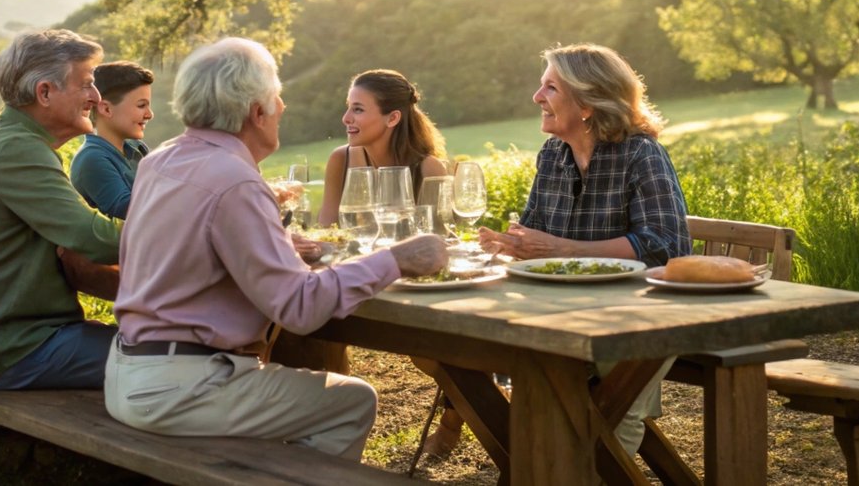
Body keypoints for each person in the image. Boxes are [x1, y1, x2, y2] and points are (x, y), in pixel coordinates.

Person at [105, 38, 447, 460]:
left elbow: (195, 245)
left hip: (127, 372)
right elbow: (299, 309)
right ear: (257, 111)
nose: (282, 108)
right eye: (277, 97)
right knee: (352, 401)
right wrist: (397, 259)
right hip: (183, 388)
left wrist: (280, 247)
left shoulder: (162, 158)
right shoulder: (236, 179)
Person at [464, 43, 693, 457]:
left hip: (642, 316)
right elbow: (535, 232)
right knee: (538, 385)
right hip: (565, 311)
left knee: (614, 411)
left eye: (550, 88)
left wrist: (562, 249)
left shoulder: (641, 154)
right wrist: (513, 243)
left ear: (587, 102)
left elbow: (665, 246)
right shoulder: (553, 155)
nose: (537, 98)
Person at [0, 29, 123, 414]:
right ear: (45, 92)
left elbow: (78, 250)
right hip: (3, 351)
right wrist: (188, 232)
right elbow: (94, 238)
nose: (97, 98)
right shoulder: (16, 150)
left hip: (0, 342)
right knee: (169, 359)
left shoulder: (10, 139)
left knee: (155, 347)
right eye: (86, 84)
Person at [317, 69, 451, 226]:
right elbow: (326, 231)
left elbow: (439, 239)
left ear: (393, 118)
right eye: (349, 107)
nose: (346, 118)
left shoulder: (428, 169)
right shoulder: (340, 159)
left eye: (358, 109)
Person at [70, 60, 155, 219]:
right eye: (141, 105)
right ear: (106, 109)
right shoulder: (92, 159)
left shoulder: (137, 147)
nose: (149, 114)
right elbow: (129, 212)